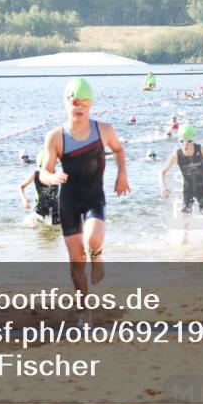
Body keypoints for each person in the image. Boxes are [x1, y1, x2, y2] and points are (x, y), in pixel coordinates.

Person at [41, 78, 129, 292]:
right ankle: (85, 309)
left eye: (86, 103)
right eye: (75, 101)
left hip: (93, 197)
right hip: (69, 201)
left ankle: (97, 257)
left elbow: (118, 149)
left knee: (93, 240)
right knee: (76, 261)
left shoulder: (104, 130)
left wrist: (122, 175)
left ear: (91, 105)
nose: (80, 106)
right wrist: (51, 178)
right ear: (66, 102)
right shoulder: (55, 137)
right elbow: (44, 171)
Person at [159, 124, 203, 241]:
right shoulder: (176, 155)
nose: (184, 145)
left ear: (193, 139)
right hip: (188, 189)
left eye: (188, 141)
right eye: (181, 141)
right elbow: (162, 172)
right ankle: (185, 248)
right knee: (184, 233)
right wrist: (163, 186)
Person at [19, 150, 60, 226]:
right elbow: (21, 186)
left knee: (55, 231)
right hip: (39, 208)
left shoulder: (57, 174)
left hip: (54, 207)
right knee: (37, 228)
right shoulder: (36, 175)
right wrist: (25, 200)